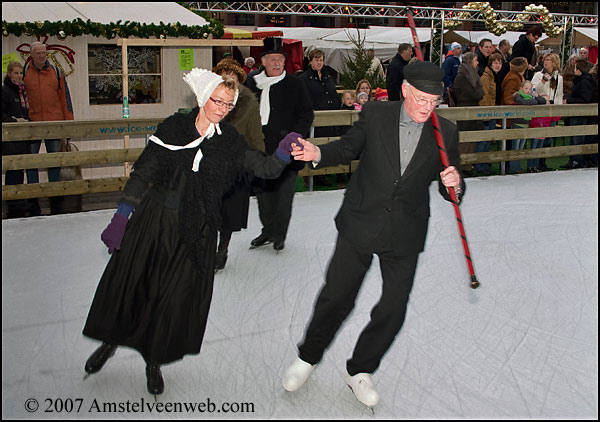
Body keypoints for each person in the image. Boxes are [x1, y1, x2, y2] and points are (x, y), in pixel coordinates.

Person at [82, 69, 296, 396]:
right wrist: (122, 214)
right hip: (155, 220)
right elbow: (145, 173)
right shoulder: (174, 128)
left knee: (171, 295)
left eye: (229, 104)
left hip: (196, 229)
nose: (222, 108)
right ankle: (110, 342)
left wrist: (282, 153)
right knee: (134, 284)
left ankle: (153, 360)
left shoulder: (229, 142)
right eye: (217, 101)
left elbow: (263, 168)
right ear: (203, 97)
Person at [281, 61, 465, 408]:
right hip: (361, 219)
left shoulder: (447, 132)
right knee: (336, 297)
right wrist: (319, 152)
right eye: (422, 99)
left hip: (405, 230)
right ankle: (308, 357)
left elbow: (451, 184)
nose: (428, 108)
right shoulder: (376, 115)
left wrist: (455, 183)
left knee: (393, 309)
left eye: (434, 102)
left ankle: (360, 369)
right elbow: (348, 147)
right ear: (406, 90)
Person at [245, 37, 314, 252]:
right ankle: (268, 230)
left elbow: (306, 114)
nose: (277, 63)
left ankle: (280, 234)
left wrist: (294, 136)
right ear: (263, 61)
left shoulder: (295, 84)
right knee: (264, 197)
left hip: (287, 150)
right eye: (272, 59)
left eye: (280, 59)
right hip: (260, 152)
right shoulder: (251, 85)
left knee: (284, 197)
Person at [212, 59, 265, 271]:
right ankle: (205, 246)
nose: (228, 81)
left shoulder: (249, 104)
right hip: (211, 162)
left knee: (229, 212)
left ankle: (221, 249)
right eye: (224, 77)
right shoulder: (208, 98)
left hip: (236, 166)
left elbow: (255, 134)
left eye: (232, 78)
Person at [23, 41, 74, 215]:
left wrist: (68, 124)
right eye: (38, 53)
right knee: (31, 162)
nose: (42, 56)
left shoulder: (56, 73)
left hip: (54, 122)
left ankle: (55, 200)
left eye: (44, 53)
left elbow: (65, 99)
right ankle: (33, 200)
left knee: (54, 162)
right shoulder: (25, 74)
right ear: (32, 55)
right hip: (33, 124)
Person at [2, 61, 37, 218]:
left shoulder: (21, 92)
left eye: (20, 73)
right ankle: (13, 202)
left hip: (23, 137)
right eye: (15, 73)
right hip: (11, 138)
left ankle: (18, 200)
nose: (18, 76)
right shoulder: (5, 91)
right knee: (13, 169)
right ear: (9, 74)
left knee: (20, 168)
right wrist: (14, 121)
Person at [300, 48, 340, 187]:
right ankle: (311, 176)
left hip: (329, 118)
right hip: (315, 119)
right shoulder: (304, 79)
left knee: (326, 146)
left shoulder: (328, 76)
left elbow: (333, 94)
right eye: (316, 59)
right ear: (310, 61)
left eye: (321, 60)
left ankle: (322, 174)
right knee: (314, 145)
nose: (319, 62)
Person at [453, 52, 484, 177]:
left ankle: (468, 165)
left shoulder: (474, 75)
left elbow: (480, 92)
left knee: (472, 139)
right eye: (476, 60)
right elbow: (476, 93)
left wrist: (479, 92)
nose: (477, 63)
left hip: (473, 108)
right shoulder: (462, 77)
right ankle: (461, 166)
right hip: (465, 109)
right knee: (464, 139)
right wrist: (479, 92)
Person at [531, 53, 564, 171]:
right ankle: (534, 163)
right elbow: (533, 90)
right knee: (539, 136)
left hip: (553, 108)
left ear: (554, 63)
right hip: (541, 108)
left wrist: (559, 109)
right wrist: (543, 81)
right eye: (545, 60)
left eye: (549, 60)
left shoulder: (559, 78)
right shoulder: (538, 75)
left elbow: (559, 94)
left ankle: (543, 162)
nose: (546, 62)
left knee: (548, 137)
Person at [561, 59, 594, 169]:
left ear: (579, 70)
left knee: (577, 138)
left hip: (581, 113)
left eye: (575, 68)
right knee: (574, 136)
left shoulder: (584, 82)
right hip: (576, 112)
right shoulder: (580, 80)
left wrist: (569, 101)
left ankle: (577, 160)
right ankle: (573, 159)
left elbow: (585, 99)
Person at [476, 52, 504, 175]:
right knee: (483, 140)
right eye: (495, 63)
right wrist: (485, 114)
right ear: (490, 64)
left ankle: (484, 163)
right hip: (487, 113)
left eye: (500, 63)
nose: (498, 65)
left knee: (488, 141)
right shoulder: (486, 77)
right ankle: (480, 165)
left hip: (493, 112)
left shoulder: (495, 76)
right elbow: (484, 97)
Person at [512, 80, 548, 173]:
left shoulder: (531, 97)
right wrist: (534, 101)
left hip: (526, 124)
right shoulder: (517, 96)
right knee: (516, 148)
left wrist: (537, 96)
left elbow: (543, 101)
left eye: (529, 89)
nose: (528, 90)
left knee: (521, 147)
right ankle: (514, 168)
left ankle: (518, 167)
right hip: (517, 124)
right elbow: (523, 102)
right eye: (526, 88)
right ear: (521, 88)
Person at [502, 57, 529, 174]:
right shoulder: (513, 78)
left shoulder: (516, 77)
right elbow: (508, 97)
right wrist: (519, 103)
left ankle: (513, 166)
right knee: (514, 143)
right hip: (513, 116)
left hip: (516, 115)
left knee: (516, 143)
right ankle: (512, 167)